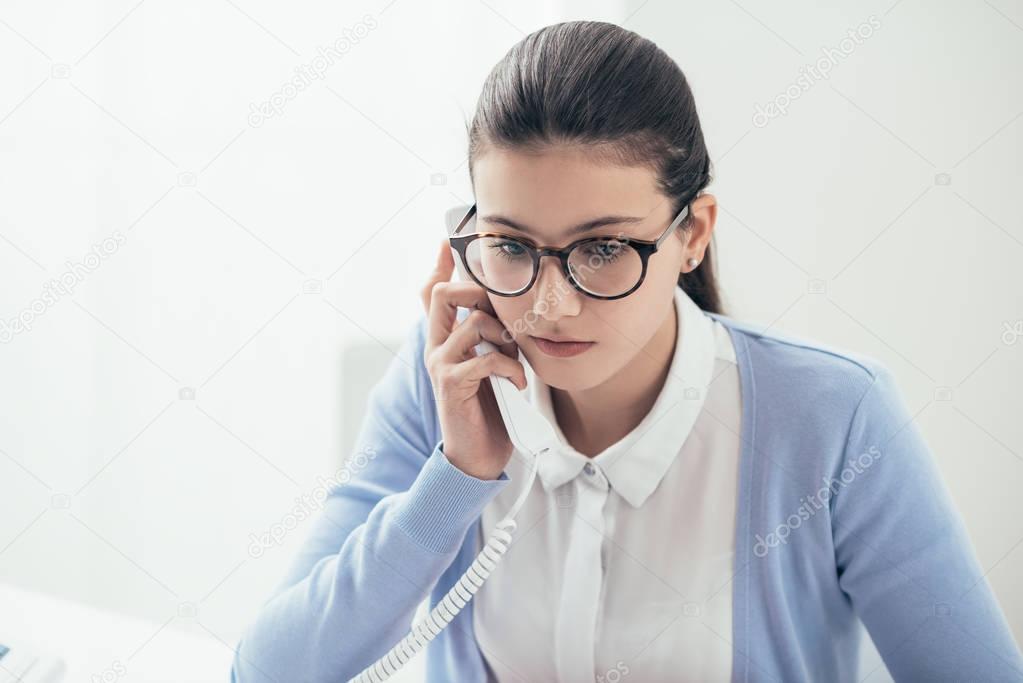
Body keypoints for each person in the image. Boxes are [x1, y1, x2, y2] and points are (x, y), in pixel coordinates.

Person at [230, 20, 1023, 682]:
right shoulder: (445, 377)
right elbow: (271, 670)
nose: (548, 303)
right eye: (508, 244)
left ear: (692, 234)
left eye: (602, 248)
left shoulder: (831, 416)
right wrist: (458, 477)